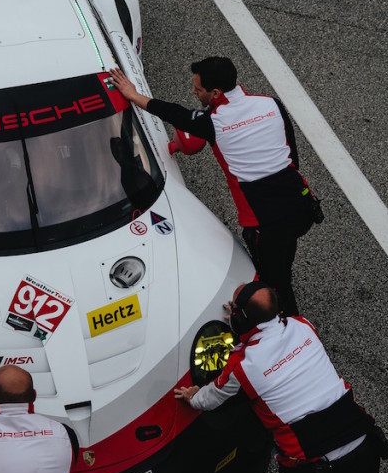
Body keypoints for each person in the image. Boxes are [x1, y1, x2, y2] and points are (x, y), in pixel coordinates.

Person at [174, 282, 388, 473]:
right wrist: (247, 318)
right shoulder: (303, 325)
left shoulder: (243, 365)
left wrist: (192, 396)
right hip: (364, 447)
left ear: (240, 319)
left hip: (316, 469)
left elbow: (210, 399)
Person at [111, 60, 319, 316]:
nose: (193, 92)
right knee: (283, 262)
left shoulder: (213, 122)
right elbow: (292, 157)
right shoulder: (270, 103)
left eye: (198, 89)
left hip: (265, 222)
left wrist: (132, 95)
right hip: (301, 208)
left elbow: (173, 113)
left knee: (276, 286)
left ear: (216, 93)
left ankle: (291, 332)